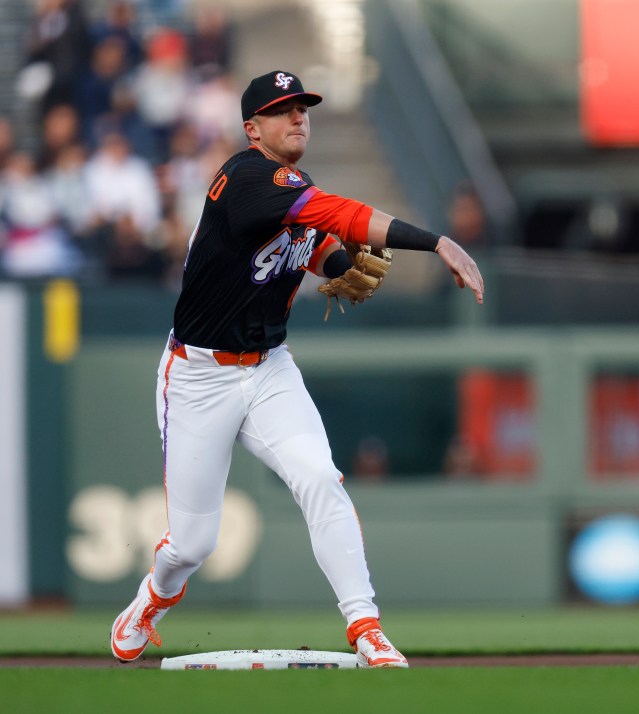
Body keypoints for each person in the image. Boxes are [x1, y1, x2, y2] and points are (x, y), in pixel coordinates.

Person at [109, 70, 484, 668]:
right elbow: (336, 213)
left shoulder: (291, 185)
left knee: (320, 479)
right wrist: (435, 241)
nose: (298, 117)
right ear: (252, 128)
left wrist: (340, 265)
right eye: (282, 110)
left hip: (267, 369)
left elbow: (314, 243)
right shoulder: (246, 178)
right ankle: (153, 598)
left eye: (302, 108)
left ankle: (365, 626)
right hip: (199, 375)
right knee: (192, 544)